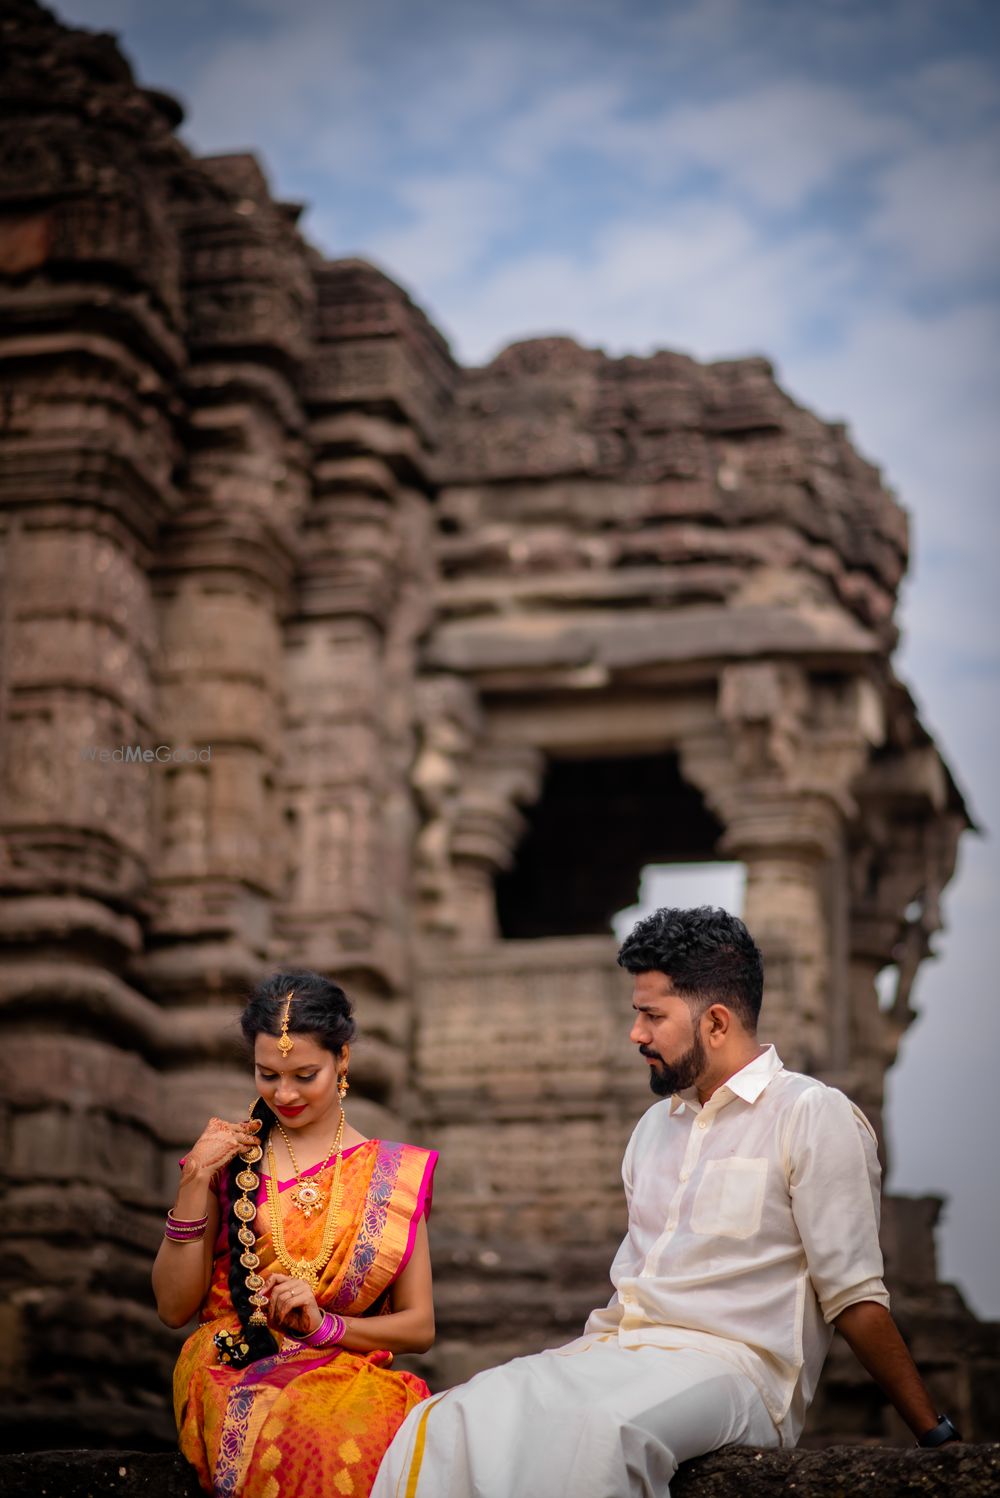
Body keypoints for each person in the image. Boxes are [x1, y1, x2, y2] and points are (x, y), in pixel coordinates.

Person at [373, 906, 960, 1498]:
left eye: (653, 1016)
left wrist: (933, 1435)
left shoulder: (811, 1114)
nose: (637, 1034)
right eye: (637, 1015)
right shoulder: (655, 1128)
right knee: (449, 1418)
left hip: (738, 1369)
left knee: (601, 1432)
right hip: (619, 1350)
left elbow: (854, 1297)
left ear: (717, 1023)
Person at [153, 970, 437, 1498]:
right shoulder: (228, 1161)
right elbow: (173, 1309)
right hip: (235, 1365)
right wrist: (193, 1180)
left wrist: (325, 1328)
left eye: (306, 1075)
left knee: (392, 1438)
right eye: (267, 1075)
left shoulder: (391, 1175)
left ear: (342, 1060)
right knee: (311, 1436)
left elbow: (419, 1327)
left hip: (351, 1375)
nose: (284, 1093)